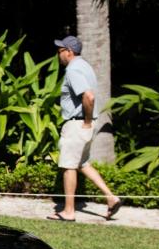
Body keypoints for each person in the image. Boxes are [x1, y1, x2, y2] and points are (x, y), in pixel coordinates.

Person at [48, 35, 121, 222]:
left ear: (69, 52)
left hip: (77, 123)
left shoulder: (73, 69)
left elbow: (88, 96)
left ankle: (69, 211)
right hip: (85, 123)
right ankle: (111, 197)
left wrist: (86, 121)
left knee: (68, 165)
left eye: (60, 51)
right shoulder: (85, 66)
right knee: (82, 163)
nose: (58, 55)